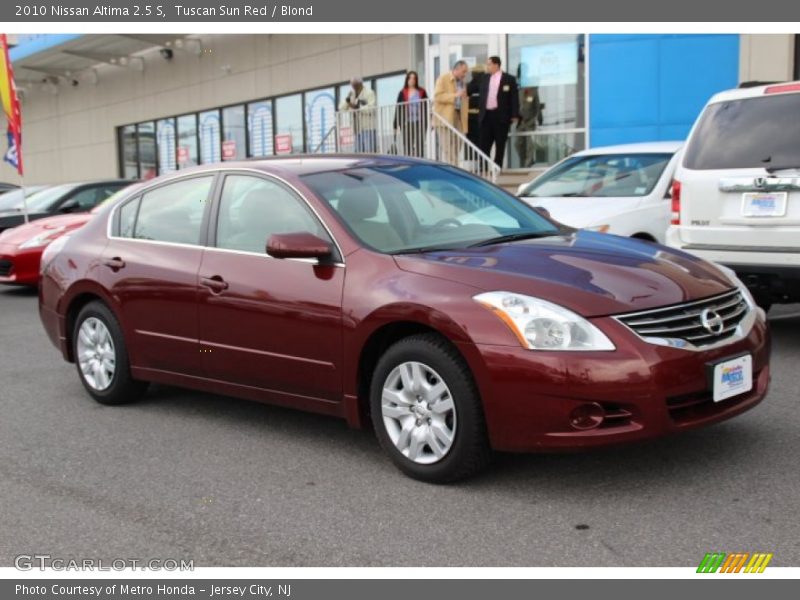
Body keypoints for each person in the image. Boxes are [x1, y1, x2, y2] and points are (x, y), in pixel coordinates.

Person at [478, 56, 519, 167]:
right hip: (486, 115)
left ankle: (497, 167)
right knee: (484, 143)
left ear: (496, 65)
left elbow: (514, 98)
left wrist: (515, 114)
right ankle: (483, 167)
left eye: (489, 64)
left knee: (500, 144)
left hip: (500, 116)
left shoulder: (509, 79)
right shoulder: (484, 78)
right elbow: (474, 90)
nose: (487, 66)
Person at [433, 60, 469, 164]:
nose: (465, 74)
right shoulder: (443, 78)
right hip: (445, 117)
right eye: (463, 71)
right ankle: (455, 168)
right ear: (456, 69)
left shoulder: (462, 83)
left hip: (458, 116)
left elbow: (464, 101)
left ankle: (454, 166)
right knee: (447, 146)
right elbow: (438, 96)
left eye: (466, 72)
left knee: (458, 143)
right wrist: (455, 96)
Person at [393, 71, 428, 158]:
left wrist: (431, 119)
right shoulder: (402, 92)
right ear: (407, 79)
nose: (412, 80)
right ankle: (410, 163)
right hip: (406, 122)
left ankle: (420, 163)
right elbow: (398, 108)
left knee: (420, 144)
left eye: (414, 78)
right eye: (410, 78)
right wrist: (395, 124)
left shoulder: (422, 91)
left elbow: (427, 106)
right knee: (408, 144)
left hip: (420, 121)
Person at [339, 77, 377, 153]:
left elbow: (372, 108)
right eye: (352, 85)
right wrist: (347, 101)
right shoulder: (351, 94)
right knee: (358, 152)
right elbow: (341, 108)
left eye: (356, 85)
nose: (354, 87)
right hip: (357, 129)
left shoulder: (369, 93)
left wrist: (358, 107)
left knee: (369, 151)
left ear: (361, 84)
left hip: (368, 127)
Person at [515, 85, 542, 168]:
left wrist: (539, 119)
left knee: (529, 144)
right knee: (518, 144)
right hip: (520, 122)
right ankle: (525, 160)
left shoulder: (534, 91)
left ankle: (528, 163)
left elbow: (537, 106)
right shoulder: (519, 91)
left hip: (530, 122)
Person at [466, 64, 487, 149]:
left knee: (473, 142)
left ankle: (473, 160)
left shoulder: (471, 85)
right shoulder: (486, 84)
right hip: (481, 116)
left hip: (472, 117)